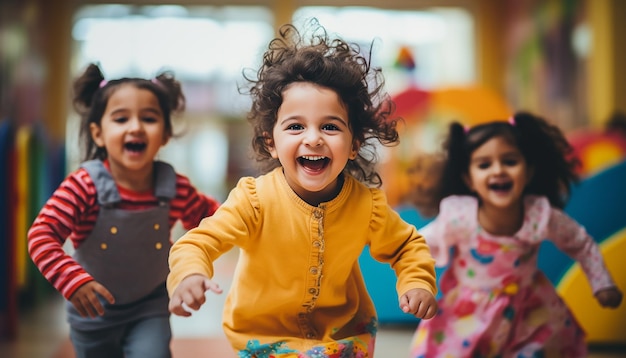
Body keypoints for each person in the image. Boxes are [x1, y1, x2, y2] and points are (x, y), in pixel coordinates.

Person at [167, 20, 438, 357]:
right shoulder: (254, 199)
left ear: (354, 144)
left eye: (330, 126)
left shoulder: (366, 204)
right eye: (295, 126)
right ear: (271, 143)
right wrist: (190, 274)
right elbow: (198, 242)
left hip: (343, 336)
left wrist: (416, 281)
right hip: (265, 338)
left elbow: (407, 246)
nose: (313, 138)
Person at [27, 63, 220, 358]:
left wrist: (253, 218)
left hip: (150, 305)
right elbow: (41, 236)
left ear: (165, 134)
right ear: (98, 133)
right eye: (120, 118)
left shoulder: (174, 186)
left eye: (149, 118)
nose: (135, 127)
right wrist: (72, 281)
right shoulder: (83, 186)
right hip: (92, 309)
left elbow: (216, 221)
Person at [409, 112, 623, 357]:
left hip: (529, 312)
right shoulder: (459, 215)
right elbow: (419, 244)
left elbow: (581, 244)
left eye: (510, 161)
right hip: (468, 311)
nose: (498, 170)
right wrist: (414, 281)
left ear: (529, 172)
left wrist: (602, 282)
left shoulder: (539, 214)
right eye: (484, 164)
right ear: (469, 179)